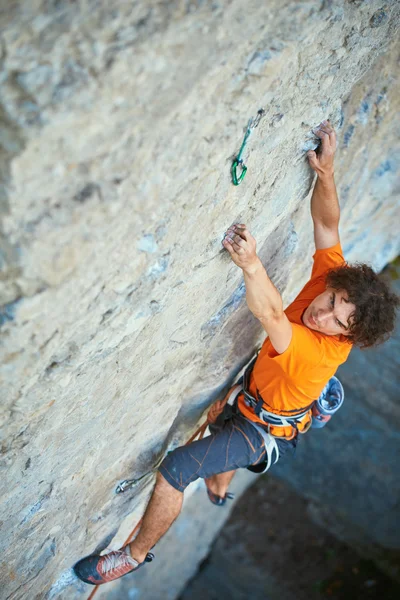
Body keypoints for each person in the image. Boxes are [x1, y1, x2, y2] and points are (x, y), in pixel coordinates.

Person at [74, 121, 398, 585]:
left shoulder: (317, 351)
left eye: (336, 322)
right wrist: (326, 174)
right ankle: (222, 486)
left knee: (178, 468)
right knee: (217, 448)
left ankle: (133, 555)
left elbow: (271, 315)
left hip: (261, 423)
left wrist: (250, 263)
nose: (322, 316)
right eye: (327, 303)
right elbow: (327, 223)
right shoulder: (338, 285)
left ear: (347, 338)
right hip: (259, 392)